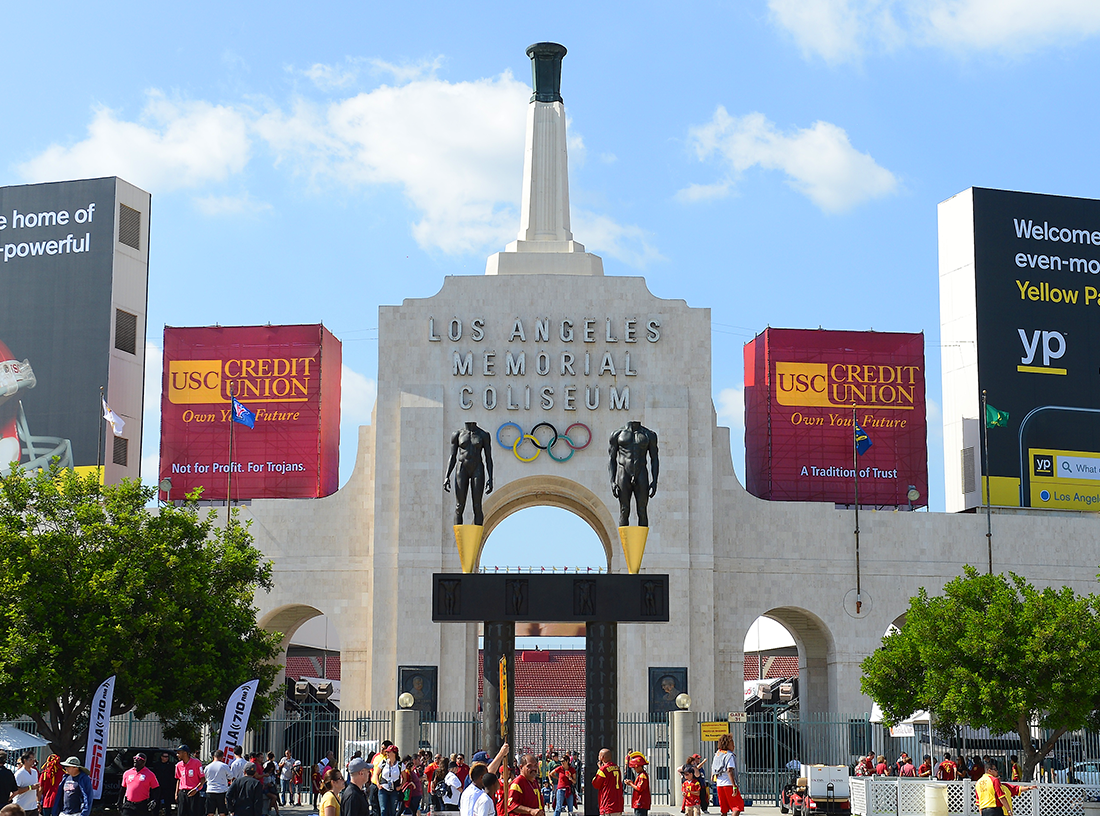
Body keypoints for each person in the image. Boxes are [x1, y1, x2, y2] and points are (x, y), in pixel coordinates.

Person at [710, 735, 743, 816]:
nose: (734, 746)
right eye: (732, 743)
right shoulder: (729, 755)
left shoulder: (717, 754)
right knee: (737, 807)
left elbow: (713, 768)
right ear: (727, 744)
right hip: (728, 783)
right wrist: (734, 786)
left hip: (719, 784)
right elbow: (729, 770)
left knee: (724, 809)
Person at [591, 749, 623, 816]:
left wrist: (599, 770)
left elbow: (596, 784)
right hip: (618, 804)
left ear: (602, 757)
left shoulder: (603, 770)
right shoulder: (617, 767)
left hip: (607, 804)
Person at [175, 745, 204, 816]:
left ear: (185, 753)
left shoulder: (196, 763)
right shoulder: (178, 765)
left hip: (193, 792)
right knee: (181, 813)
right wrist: (176, 793)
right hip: (182, 793)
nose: (177, 755)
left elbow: (203, 779)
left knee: (193, 813)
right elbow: (178, 779)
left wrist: (196, 789)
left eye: (179, 753)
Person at [204, 750, 232, 816]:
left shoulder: (208, 767)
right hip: (222, 790)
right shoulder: (224, 766)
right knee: (222, 811)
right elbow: (230, 776)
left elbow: (204, 778)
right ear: (222, 757)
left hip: (210, 790)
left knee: (210, 812)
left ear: (214, 756)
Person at [12, 751, 39, 816]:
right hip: (21, 807)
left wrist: (37, 801)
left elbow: (37, 789)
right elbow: (16, 790)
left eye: (33, 759)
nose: (33, 761)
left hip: (33, 806)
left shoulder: (35, 772)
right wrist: (30, 787)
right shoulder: (19, 774)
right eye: (31, 759)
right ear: (25, 760)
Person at [378, 746, 403, 816]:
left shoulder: (400, 764)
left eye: (389, 752)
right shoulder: (383, 762)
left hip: (394, 789)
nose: (387, 753)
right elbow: (376, 774)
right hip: (383, 788)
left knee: (393, 810)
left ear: (394, 753)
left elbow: (405, 777)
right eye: (387, 752)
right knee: (383, 810)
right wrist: (378, 784)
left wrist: (400, 786)